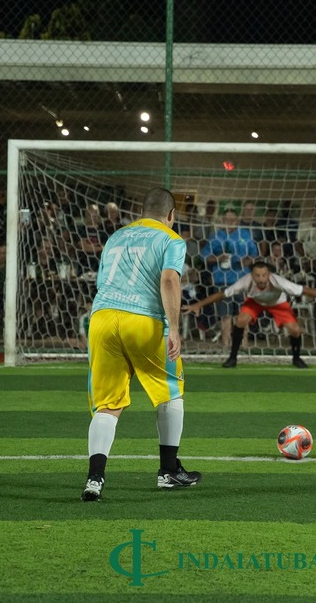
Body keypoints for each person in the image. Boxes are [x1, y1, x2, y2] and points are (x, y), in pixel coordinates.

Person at [82, 187, 201, 502]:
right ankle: (169, 471)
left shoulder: (116, 237)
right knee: (170, 391)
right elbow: (169, 280)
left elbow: (103, 280)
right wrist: (173, 328)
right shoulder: (171, 239)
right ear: (171, 215)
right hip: (143, 321)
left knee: (108, 404)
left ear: (141, 211)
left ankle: (94, 479)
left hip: (103, 318)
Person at [183, 260, 316, 369]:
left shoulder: (278, 281)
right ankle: (232, 358)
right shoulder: (246, 280)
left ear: (269, 274)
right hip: (255, 302)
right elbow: (222, 294)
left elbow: (303, 290)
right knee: (240, 321)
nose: (261, 278)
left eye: (264, 275)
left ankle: (296, 358)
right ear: (252, 275)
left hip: (278, 303)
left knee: (295, 330)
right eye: (257, 275)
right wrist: (198, 305)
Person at [199, 208, 259, 348]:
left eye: (232, 219)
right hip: (222, 280)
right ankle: (226, 345)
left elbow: (254, 255)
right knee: (225, 315)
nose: (229, 222)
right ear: (222, 220)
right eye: (227, 219)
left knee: (243, 314)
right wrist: (218, 259)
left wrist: (246, 262)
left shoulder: (245, 234)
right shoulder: (216, 236)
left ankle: (243, 345)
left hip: (242, 280)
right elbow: (204, 256)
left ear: (237, 221)